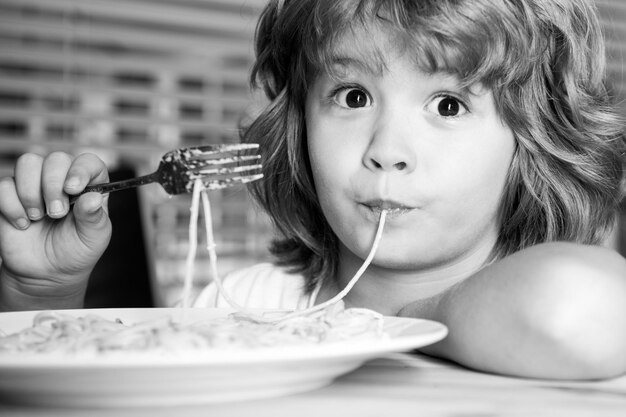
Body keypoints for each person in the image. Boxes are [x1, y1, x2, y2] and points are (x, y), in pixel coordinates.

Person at [1, 0, 625, 380]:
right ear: (298, 127)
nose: (386, 149)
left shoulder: (550, 300)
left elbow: (577, 309)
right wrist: (43, 295)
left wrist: (395, 323)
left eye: (449, 104)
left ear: (534, 142)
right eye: (353, 97)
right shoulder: (245, 306)